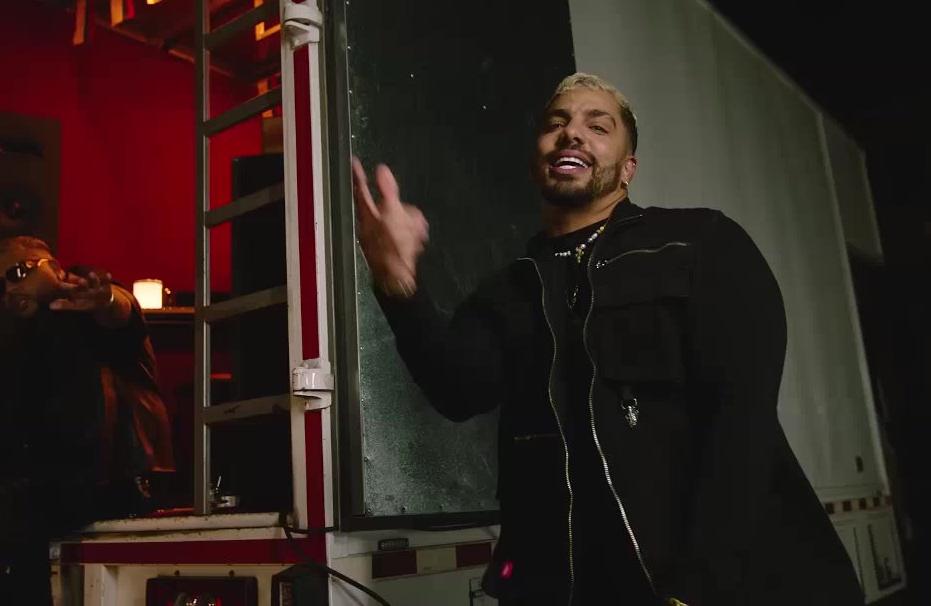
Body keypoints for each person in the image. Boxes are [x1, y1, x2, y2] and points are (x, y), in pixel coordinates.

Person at [351, 74, 864, 605]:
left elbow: (741, 421)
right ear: (537, 159)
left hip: (716, 587)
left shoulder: (700, 244)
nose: (572, 133)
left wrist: (698, 591)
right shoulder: (510, 289)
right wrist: (396, 282)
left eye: (598, 127)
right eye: (556, 124)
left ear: (627, 169)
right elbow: (457, 389)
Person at [0, 235, 174, 605]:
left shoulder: (85, 300)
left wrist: (104, 299)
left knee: (10, 502)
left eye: (18, 273)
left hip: (122, 479)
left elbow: (119, 310)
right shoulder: (28, 337)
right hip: (57, 481)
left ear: (53, 267)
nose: (9, 290)